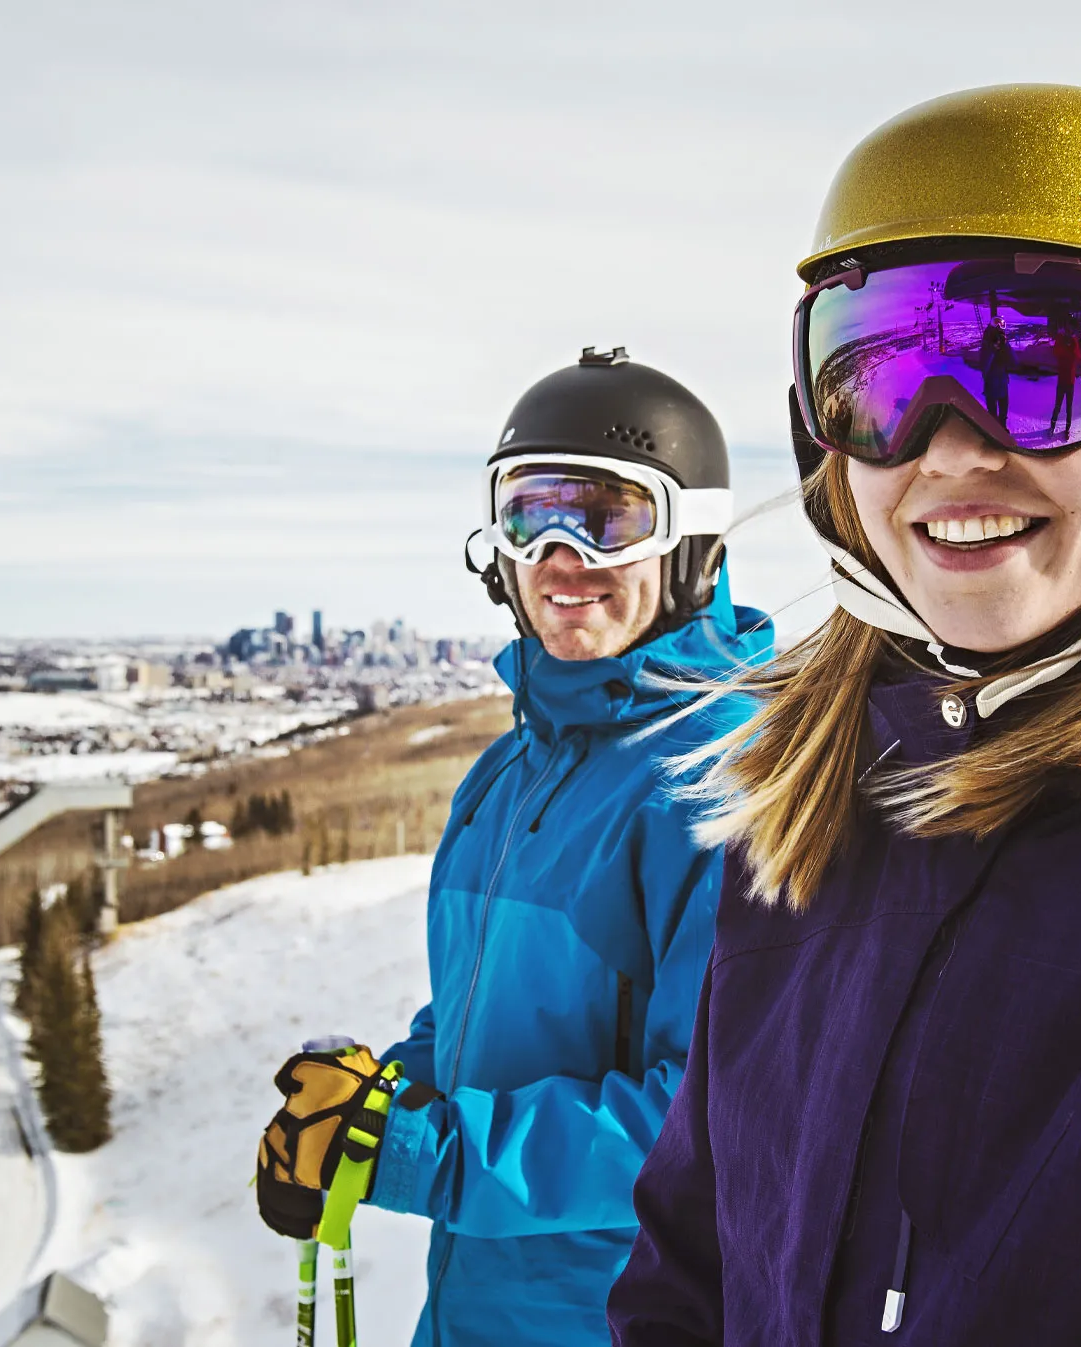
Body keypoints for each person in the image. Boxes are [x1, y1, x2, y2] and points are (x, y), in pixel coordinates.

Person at [610, 84, 1081, 1345]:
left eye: (1045, 368)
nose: (948, 449)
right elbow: (691, 1271)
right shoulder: (812, 808)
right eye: (879, 375)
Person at [255, 347, 773, 1344]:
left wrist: (426, 1156)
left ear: (693, 546)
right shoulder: (508, 772)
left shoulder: (723, 785)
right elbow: (481, 1017)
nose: (562, 556)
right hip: (473, 1310)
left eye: (611, 517)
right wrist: (376, 1106)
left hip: (619, 1317)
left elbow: (713, 1115)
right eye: (531, 515)